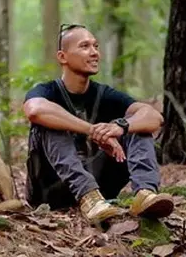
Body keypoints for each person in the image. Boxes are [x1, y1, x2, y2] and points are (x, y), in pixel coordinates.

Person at [21, 24, 174, 226]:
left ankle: (145, 193)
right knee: (49, 123)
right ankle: (87, 196)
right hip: (51, 192)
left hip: (103, 191)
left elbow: (154, 117)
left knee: (138, 125)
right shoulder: (47, 91)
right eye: (85, 46)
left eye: (96, 46)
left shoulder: (104, 95)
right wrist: (92, 131)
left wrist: (121, 126)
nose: (94, 53)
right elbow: (35, 110)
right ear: (62, 57)